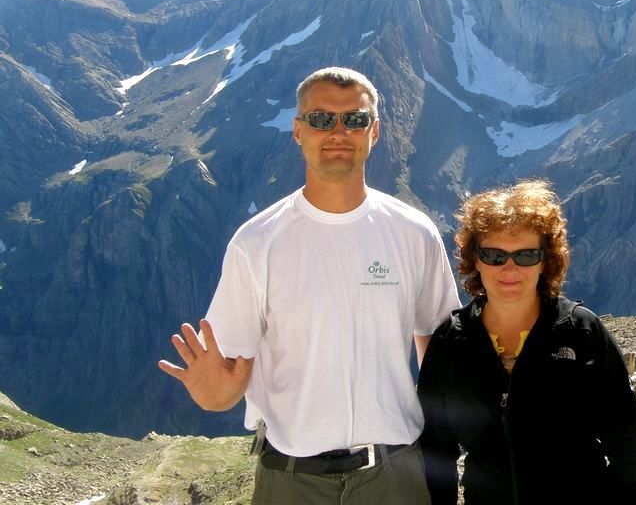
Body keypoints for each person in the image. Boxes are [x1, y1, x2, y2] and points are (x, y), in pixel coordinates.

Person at [158, 66, 460, 505]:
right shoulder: (256, 243)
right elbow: (224, 384)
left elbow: (437, 343)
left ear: (374, 132)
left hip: (394, 473)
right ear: (299, 132)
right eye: (321, 120)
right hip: (291, 479)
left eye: (354, 119)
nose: (338, 131)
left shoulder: (415, 233)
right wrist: (209, 394)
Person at [417, 179, 636, 505]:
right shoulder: (451, 342)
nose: (510, 268)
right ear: (476, 259)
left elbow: (627, 442)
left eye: (526, 255)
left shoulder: (581, 332)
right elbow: (435, 451)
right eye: (494, 255)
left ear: (545, 260)